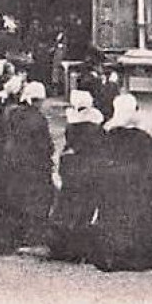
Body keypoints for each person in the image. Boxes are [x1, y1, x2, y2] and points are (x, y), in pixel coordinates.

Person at [91, 92, 152, 272]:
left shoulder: (107, 134)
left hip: (113, 180)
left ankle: (113, 255)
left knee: (114, 216)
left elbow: (100, 158)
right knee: (135, 216)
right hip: (136, 181)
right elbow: (150, 161)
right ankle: (135, 256)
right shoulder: (143, 137)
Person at [0, 80, 54, 255]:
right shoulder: (38, 119)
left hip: (11, 160)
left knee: (12, 198)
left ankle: (6, 238)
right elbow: (45, 146)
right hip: (31, 164)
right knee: (35, 200)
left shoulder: (13, 113)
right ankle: (31, 237)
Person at [49, 89, 105, 263]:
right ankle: (79, 246)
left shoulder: (72, 126)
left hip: (71, 165)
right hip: (89, 166)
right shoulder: (96, 128)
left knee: (68, 203)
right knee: (85, 206)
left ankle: (62, 244)